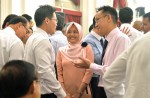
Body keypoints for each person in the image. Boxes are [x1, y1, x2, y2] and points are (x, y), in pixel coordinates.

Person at [72, 6, 131, 98]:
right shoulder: (109, 39)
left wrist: (90, 65)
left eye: (97, 20)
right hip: (105, 88)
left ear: (108, 18)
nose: (96, 25)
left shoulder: (121, 39)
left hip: (115, 92)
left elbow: (116, 71)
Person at [24, 5, 67, 98]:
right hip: (44, 92)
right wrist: (62, 94)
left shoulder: (33, 37)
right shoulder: (42, 40)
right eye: (55, 20)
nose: (57, 23)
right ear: (47, 20)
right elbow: (45, 71)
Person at [103, 13, 150, 98]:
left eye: (145, 24)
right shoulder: (138, 38)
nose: (142, 27)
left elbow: (110, 76)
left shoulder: (139, 41)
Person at [56, 22, 94, 98]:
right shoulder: (61, 51)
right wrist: (64, 93)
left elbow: (89, 72)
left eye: (75, 32)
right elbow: (59, 74)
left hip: (83, 92)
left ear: (80, 33)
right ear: (66, 34)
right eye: (69, 32)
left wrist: (79, 92)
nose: (72, 34)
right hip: (66, 93)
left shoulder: (86, 48)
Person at [83, 17, 104, 98]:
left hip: (100, 75)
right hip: (94, 78)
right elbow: (97, 59)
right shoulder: (88, 40)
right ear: (97, 25)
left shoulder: (102, 38)